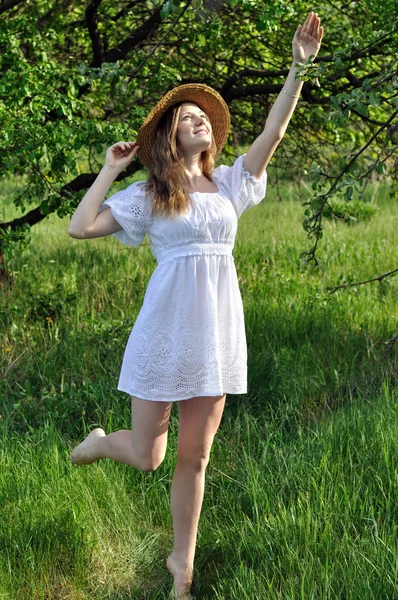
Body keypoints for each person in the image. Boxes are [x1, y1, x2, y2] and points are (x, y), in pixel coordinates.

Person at [67, 12, 323, 599]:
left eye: (203, 116)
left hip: (215, 333)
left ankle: (181, 565)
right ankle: (103, 443)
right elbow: (81, 228)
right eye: (187, 118)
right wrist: (110, 169)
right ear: (170, 136)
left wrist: (298, 68)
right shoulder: (152, 193)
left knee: (194, 457)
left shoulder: (231, 183)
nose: (200, 120)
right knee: (148, 456)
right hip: (165, 330)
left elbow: (274, 136)